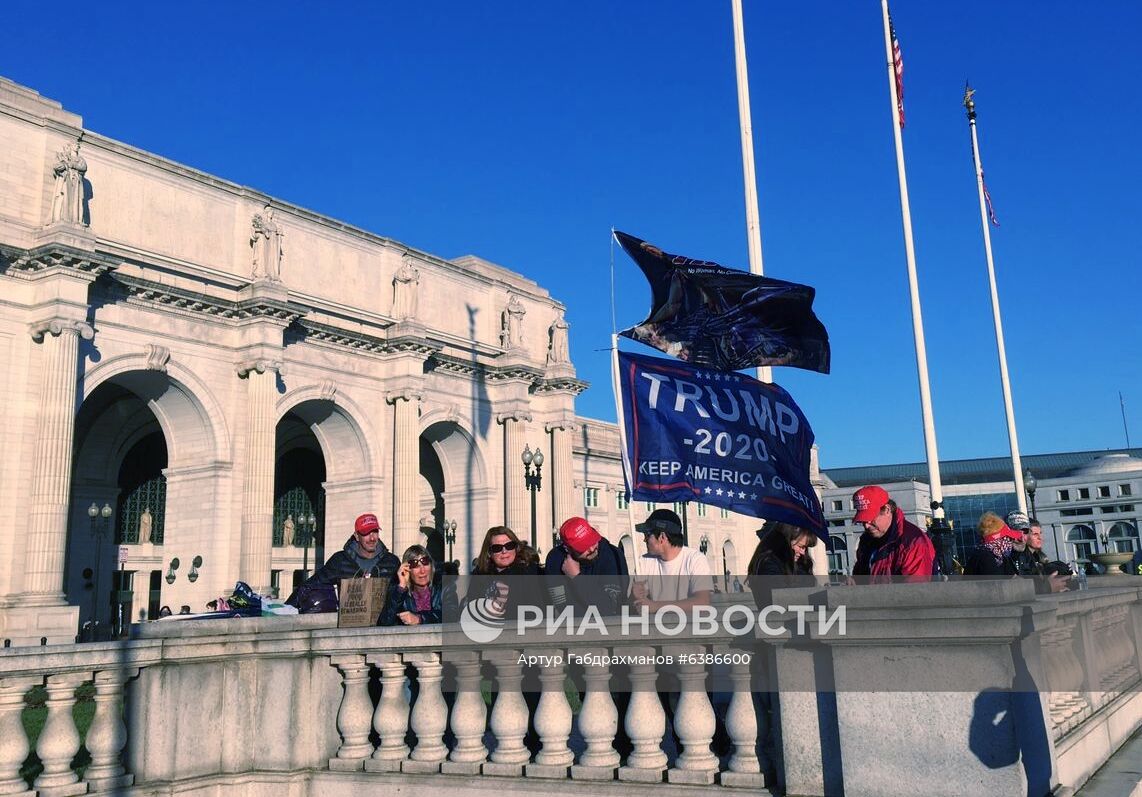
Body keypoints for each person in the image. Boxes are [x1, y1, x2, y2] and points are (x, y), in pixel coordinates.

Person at [288, 513, 400, 603]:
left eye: (375, 532)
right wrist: (287, 608)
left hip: (383, 626)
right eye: (366, 533)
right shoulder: (340, 560)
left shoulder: (392, 562)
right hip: (351, 625)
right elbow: (311, 585)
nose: (372, 538)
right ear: (356, 536)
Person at [544, 516, 629, 616]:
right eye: (584, 546)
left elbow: (609, 608)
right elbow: (563, 607)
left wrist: (577, 577)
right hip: (574, 627)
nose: (592, 549)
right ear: (568, 549)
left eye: (593, 540)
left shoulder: (612, 554)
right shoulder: (555, 559)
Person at [631, 508, 714, 610]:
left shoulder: (695, 559)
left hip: (690, 624)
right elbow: (638, 604)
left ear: (662, 537)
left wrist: (655, 607)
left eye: (647, 535)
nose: (644, 540)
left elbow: (702, 602)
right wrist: (635, 595)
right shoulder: (644, 561)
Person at [850, 485, 935, 582]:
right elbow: (860, 576)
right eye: (863, 521)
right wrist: (854, 583)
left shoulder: (914, 543)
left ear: (887, 510)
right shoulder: (866, 539)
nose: (866, 526)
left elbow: (915, 591)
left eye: (870, 519)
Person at [466, 526, 545, 620]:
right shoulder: (480, 575)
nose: (504, 551)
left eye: (509, 546)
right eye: (497, 548)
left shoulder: (529, 571)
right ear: (489, 553)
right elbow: (472, 606)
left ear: (516, 548)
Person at [746, 521, 818, 610]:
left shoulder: (797, 563)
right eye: (800, 547)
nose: (803, 552)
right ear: (786, 542)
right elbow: (781, 598)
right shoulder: (768, 563)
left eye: (805, 548)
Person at [379, 544, 456, 626]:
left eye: (425, 563)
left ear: (431, 566)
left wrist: (420, 619)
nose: (422, 571)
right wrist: (401, 587)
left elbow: (452, 615)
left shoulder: (444, 587)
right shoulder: (400, 592)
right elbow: (385, 622)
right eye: (416, 566)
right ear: (407, 570)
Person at [963, 512, 1024, 576]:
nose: (1010, 541)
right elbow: (995, 584)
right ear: (998, 540)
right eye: (1007, 538)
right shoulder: (986, 558)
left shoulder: (998, 556)